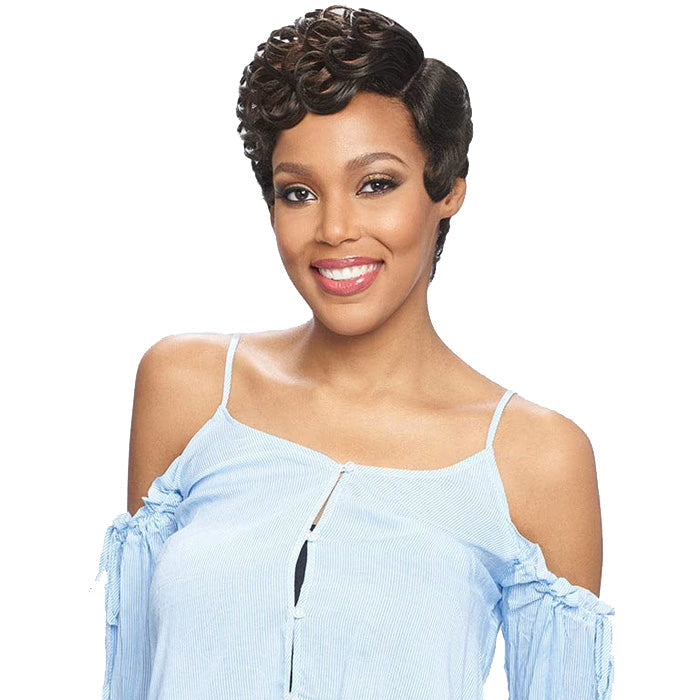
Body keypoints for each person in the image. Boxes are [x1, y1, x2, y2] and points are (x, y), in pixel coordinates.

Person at [95, 5, 615, 699]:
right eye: (299, 193)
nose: (335, 228)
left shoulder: (535, 458)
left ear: (447, 188)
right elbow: (130, 678)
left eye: (376, 184)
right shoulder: (187, 388)